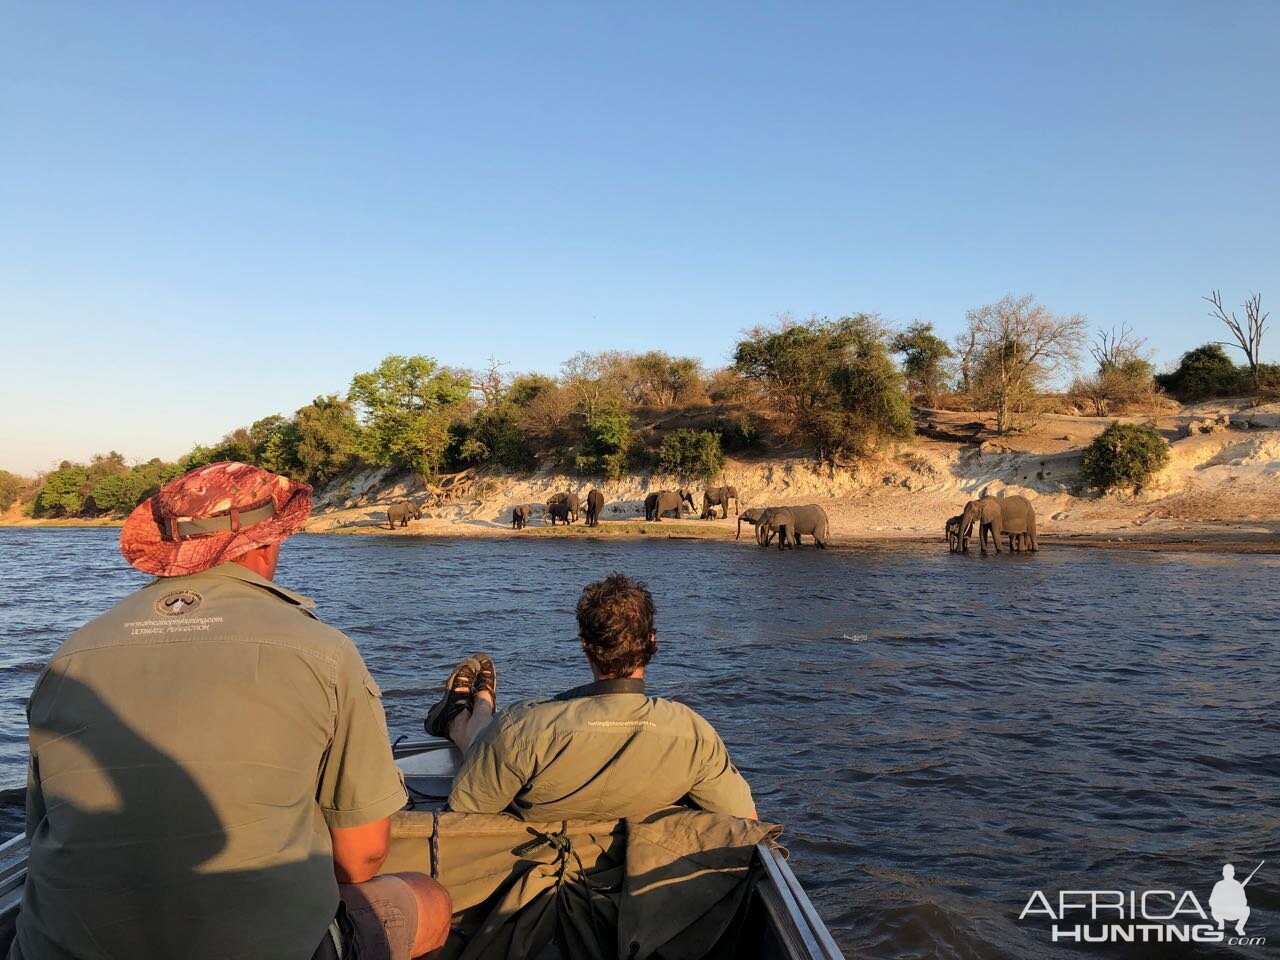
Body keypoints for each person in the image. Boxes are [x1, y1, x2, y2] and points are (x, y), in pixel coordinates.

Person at [12, 462, 451, 960]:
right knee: (428, 899)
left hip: (54, 946)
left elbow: (43, 831)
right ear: (265, 544)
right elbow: (361, 857)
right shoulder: (323, 651)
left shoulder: (70, 654)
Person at [425, 572, 756, 821]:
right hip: (635, 886)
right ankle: (477, 705)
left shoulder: (524, 726)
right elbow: (744, 824)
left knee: (487, 742)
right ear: (653, 643)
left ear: (586, 648)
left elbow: (462, 820)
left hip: (540, 880)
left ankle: (465, 714)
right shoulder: (694, 734)